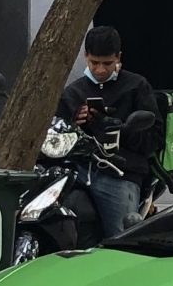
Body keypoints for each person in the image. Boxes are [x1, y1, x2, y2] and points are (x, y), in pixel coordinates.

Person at [56, 25, 163, 241]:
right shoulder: (72, 93)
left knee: (123, 241)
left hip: (120, 173)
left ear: (118, 58)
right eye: (95, 63)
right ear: (85, 56)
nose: (101, 70)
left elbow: (154, 138)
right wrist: (75, 124)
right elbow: (56, 135)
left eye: (107, 63)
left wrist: (116, 127)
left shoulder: (136, 86)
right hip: (76, 172)